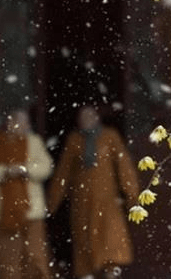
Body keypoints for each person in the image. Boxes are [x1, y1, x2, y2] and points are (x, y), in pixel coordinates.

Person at [47, 106, 140, 279]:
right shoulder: (74, 140)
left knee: (111, 247)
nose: (86, 120)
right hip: (82, 204)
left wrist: (132, 195)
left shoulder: (109, 137)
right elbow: (63, 173)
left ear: (97, 118)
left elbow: (124, 167)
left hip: (107, 202)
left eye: (90, 116)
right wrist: (51, 203)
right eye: (82, 117)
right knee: (85, 250)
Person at [0, 109, 54, 279]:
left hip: (31, 212)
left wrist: (25, 169)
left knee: (35, 260)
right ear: (11, 122)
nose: (26, 126)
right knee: (7, 264)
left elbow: (46, 167)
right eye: (22, 122)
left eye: (26, 123)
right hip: (2, 213)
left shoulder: (34, 142)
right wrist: (5, 171)